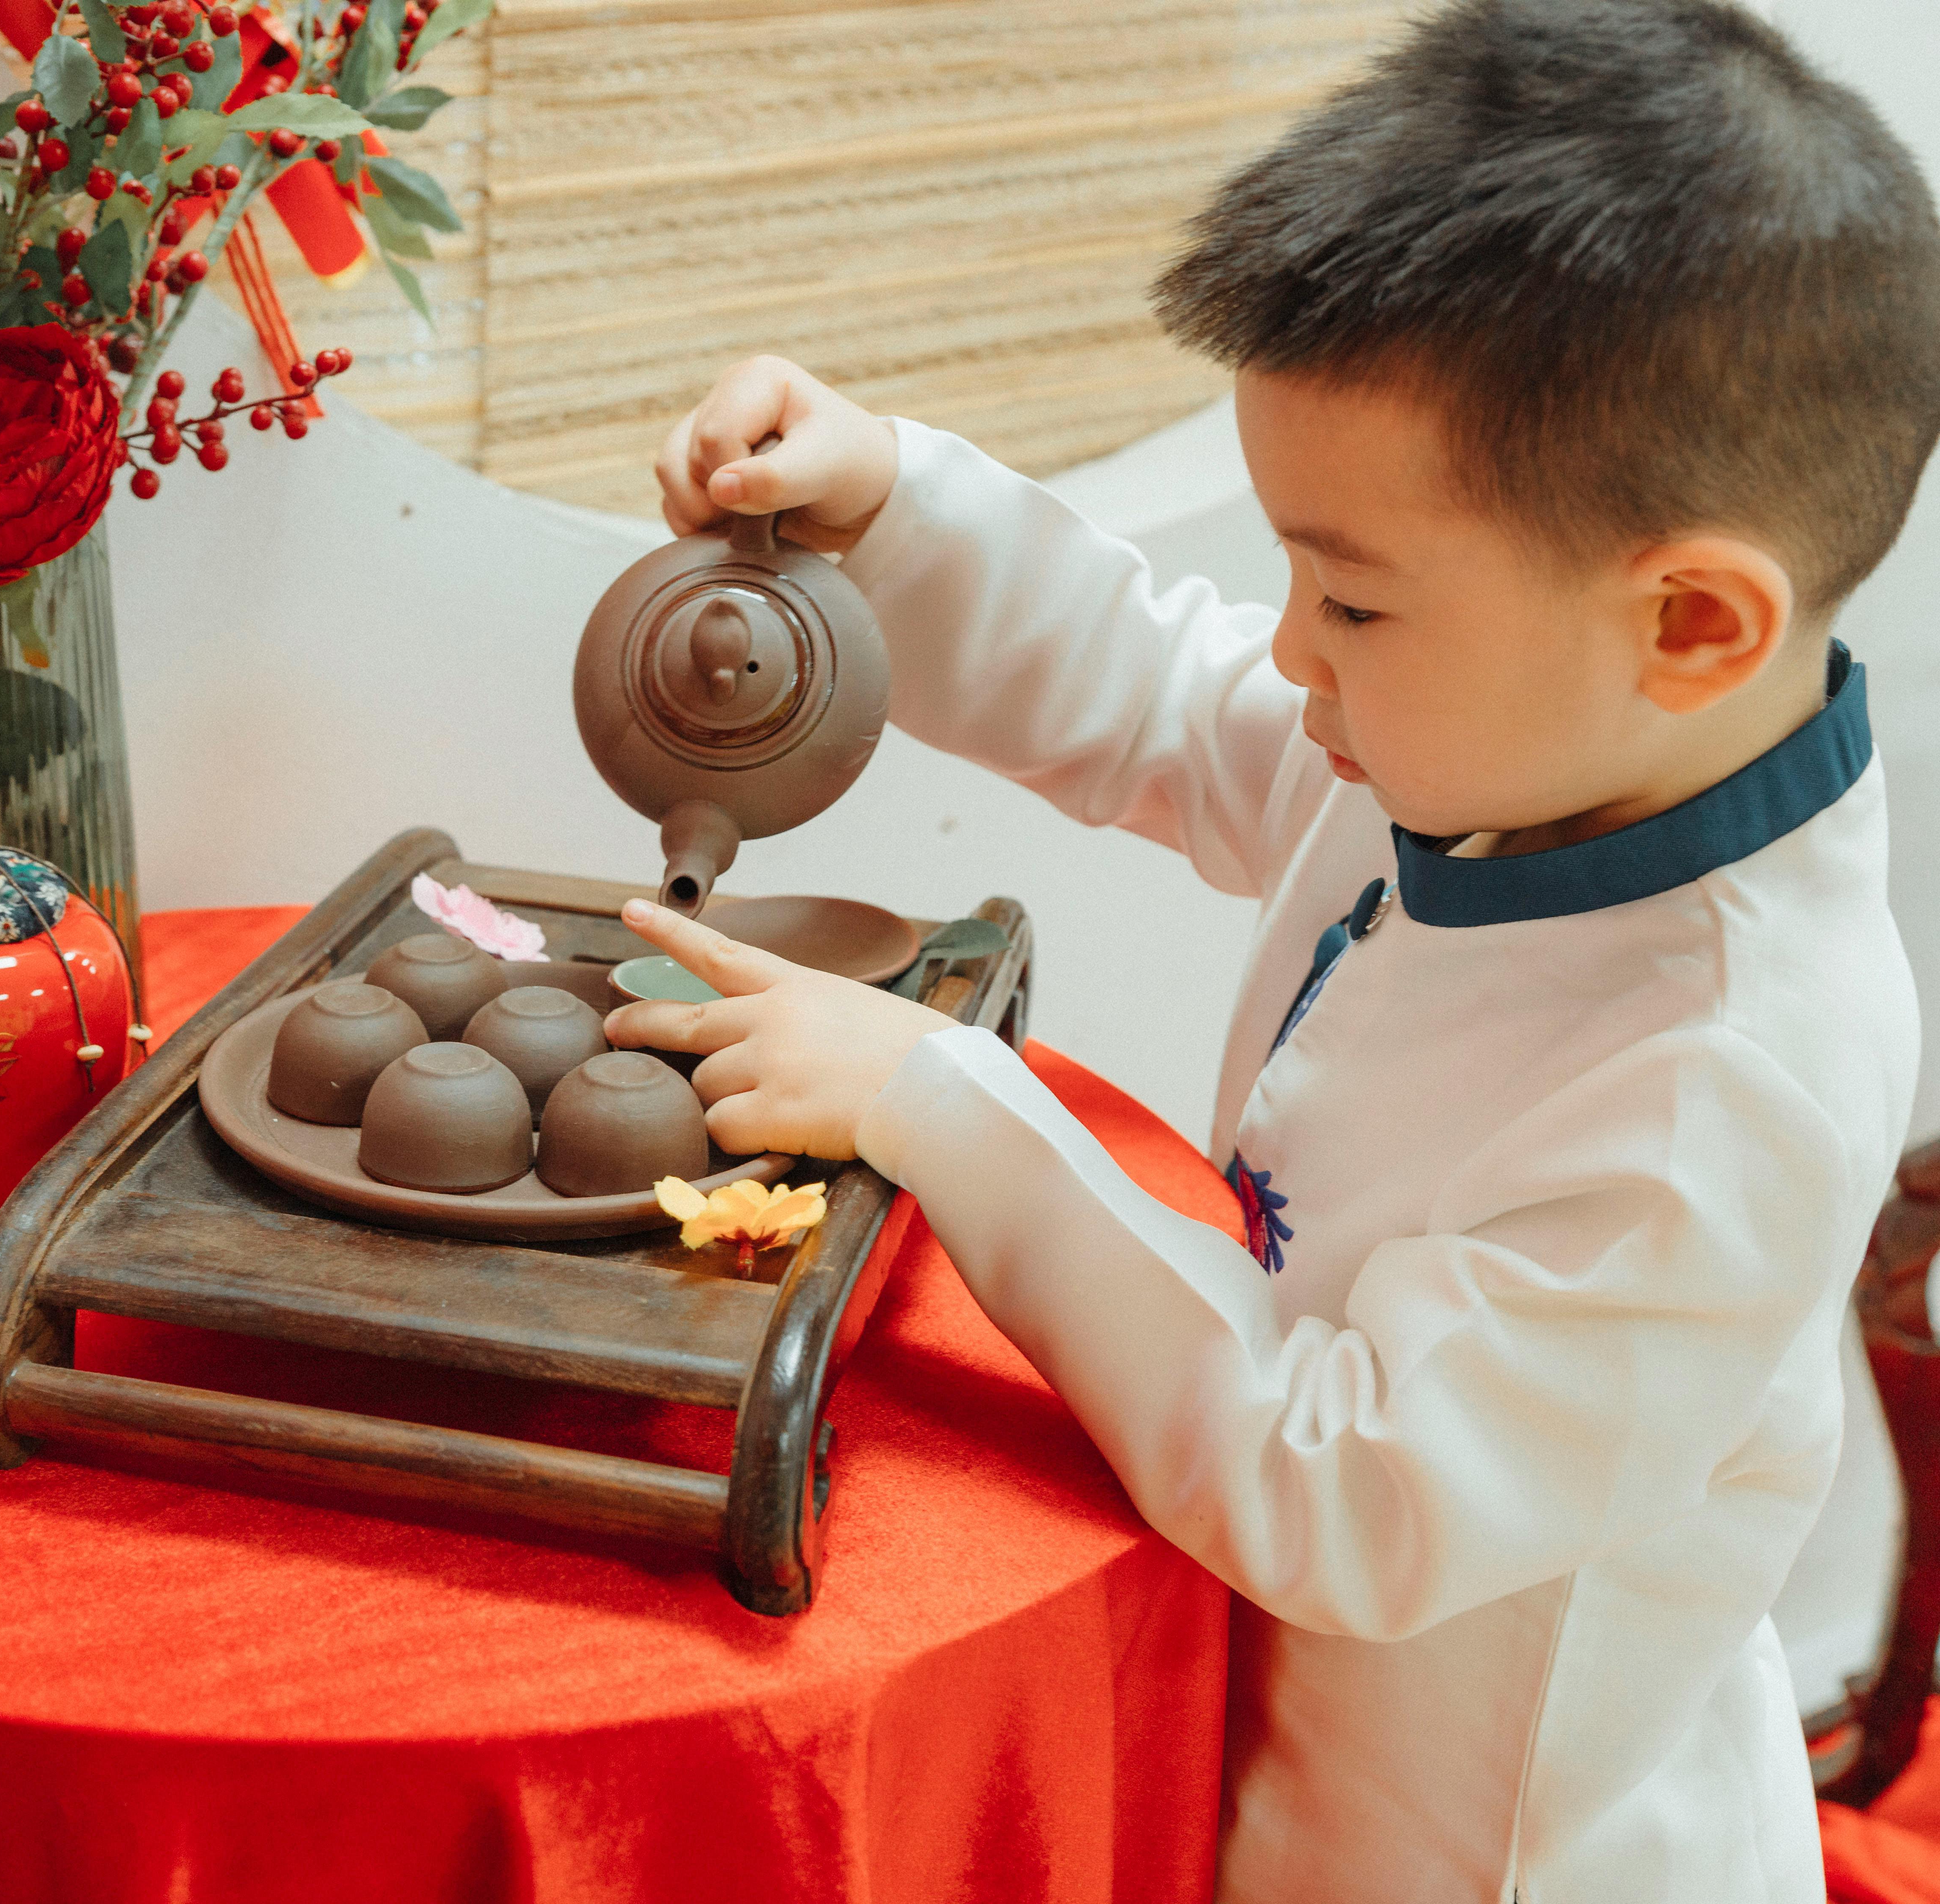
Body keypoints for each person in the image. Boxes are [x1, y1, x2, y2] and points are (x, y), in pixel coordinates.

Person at [598, 2, 1940, 1897]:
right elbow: (1167, 693)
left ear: (1697, 622)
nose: (1294, 647)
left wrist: (947, 1105)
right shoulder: (1521, 747)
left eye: (1356, 597)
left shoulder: (1724, 1083)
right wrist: (897, 508)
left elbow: (1342, 1477)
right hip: (1272, 1740)